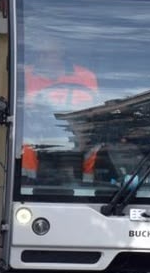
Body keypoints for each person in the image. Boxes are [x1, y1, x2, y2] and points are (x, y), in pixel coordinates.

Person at [21, 40, 99, 184]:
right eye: (40, 54)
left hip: (74, 129)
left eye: (49, 54)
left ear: (62, 53)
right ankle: (27, 184)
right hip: (37, 132)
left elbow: (92, 112)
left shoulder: (85, 76)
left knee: (95, 148)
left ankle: (88, 188)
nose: (43, 58)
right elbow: (21, 111)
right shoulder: (23, 75)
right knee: (25, 146)